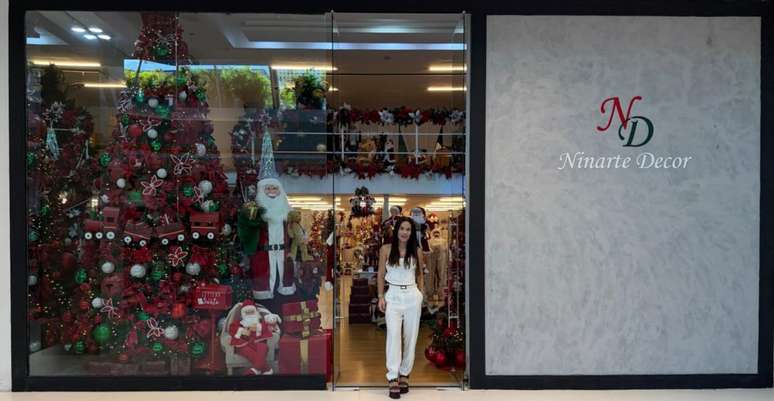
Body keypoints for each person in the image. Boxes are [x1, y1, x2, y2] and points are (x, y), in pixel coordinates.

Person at [377, 216, 424, 399]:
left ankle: (405, 373)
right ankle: (392, 377)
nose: (405, 232)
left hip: (412, 295)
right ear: (396, 230)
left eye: (408, 229)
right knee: (393, 336)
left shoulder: (417, 250)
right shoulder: (386, 249)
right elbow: (381, 274)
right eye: (402, 228)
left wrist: (421, 294)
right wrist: (381, 296)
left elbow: (420, 274)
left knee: (411, 337)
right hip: (393, 296)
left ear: (412, 233)